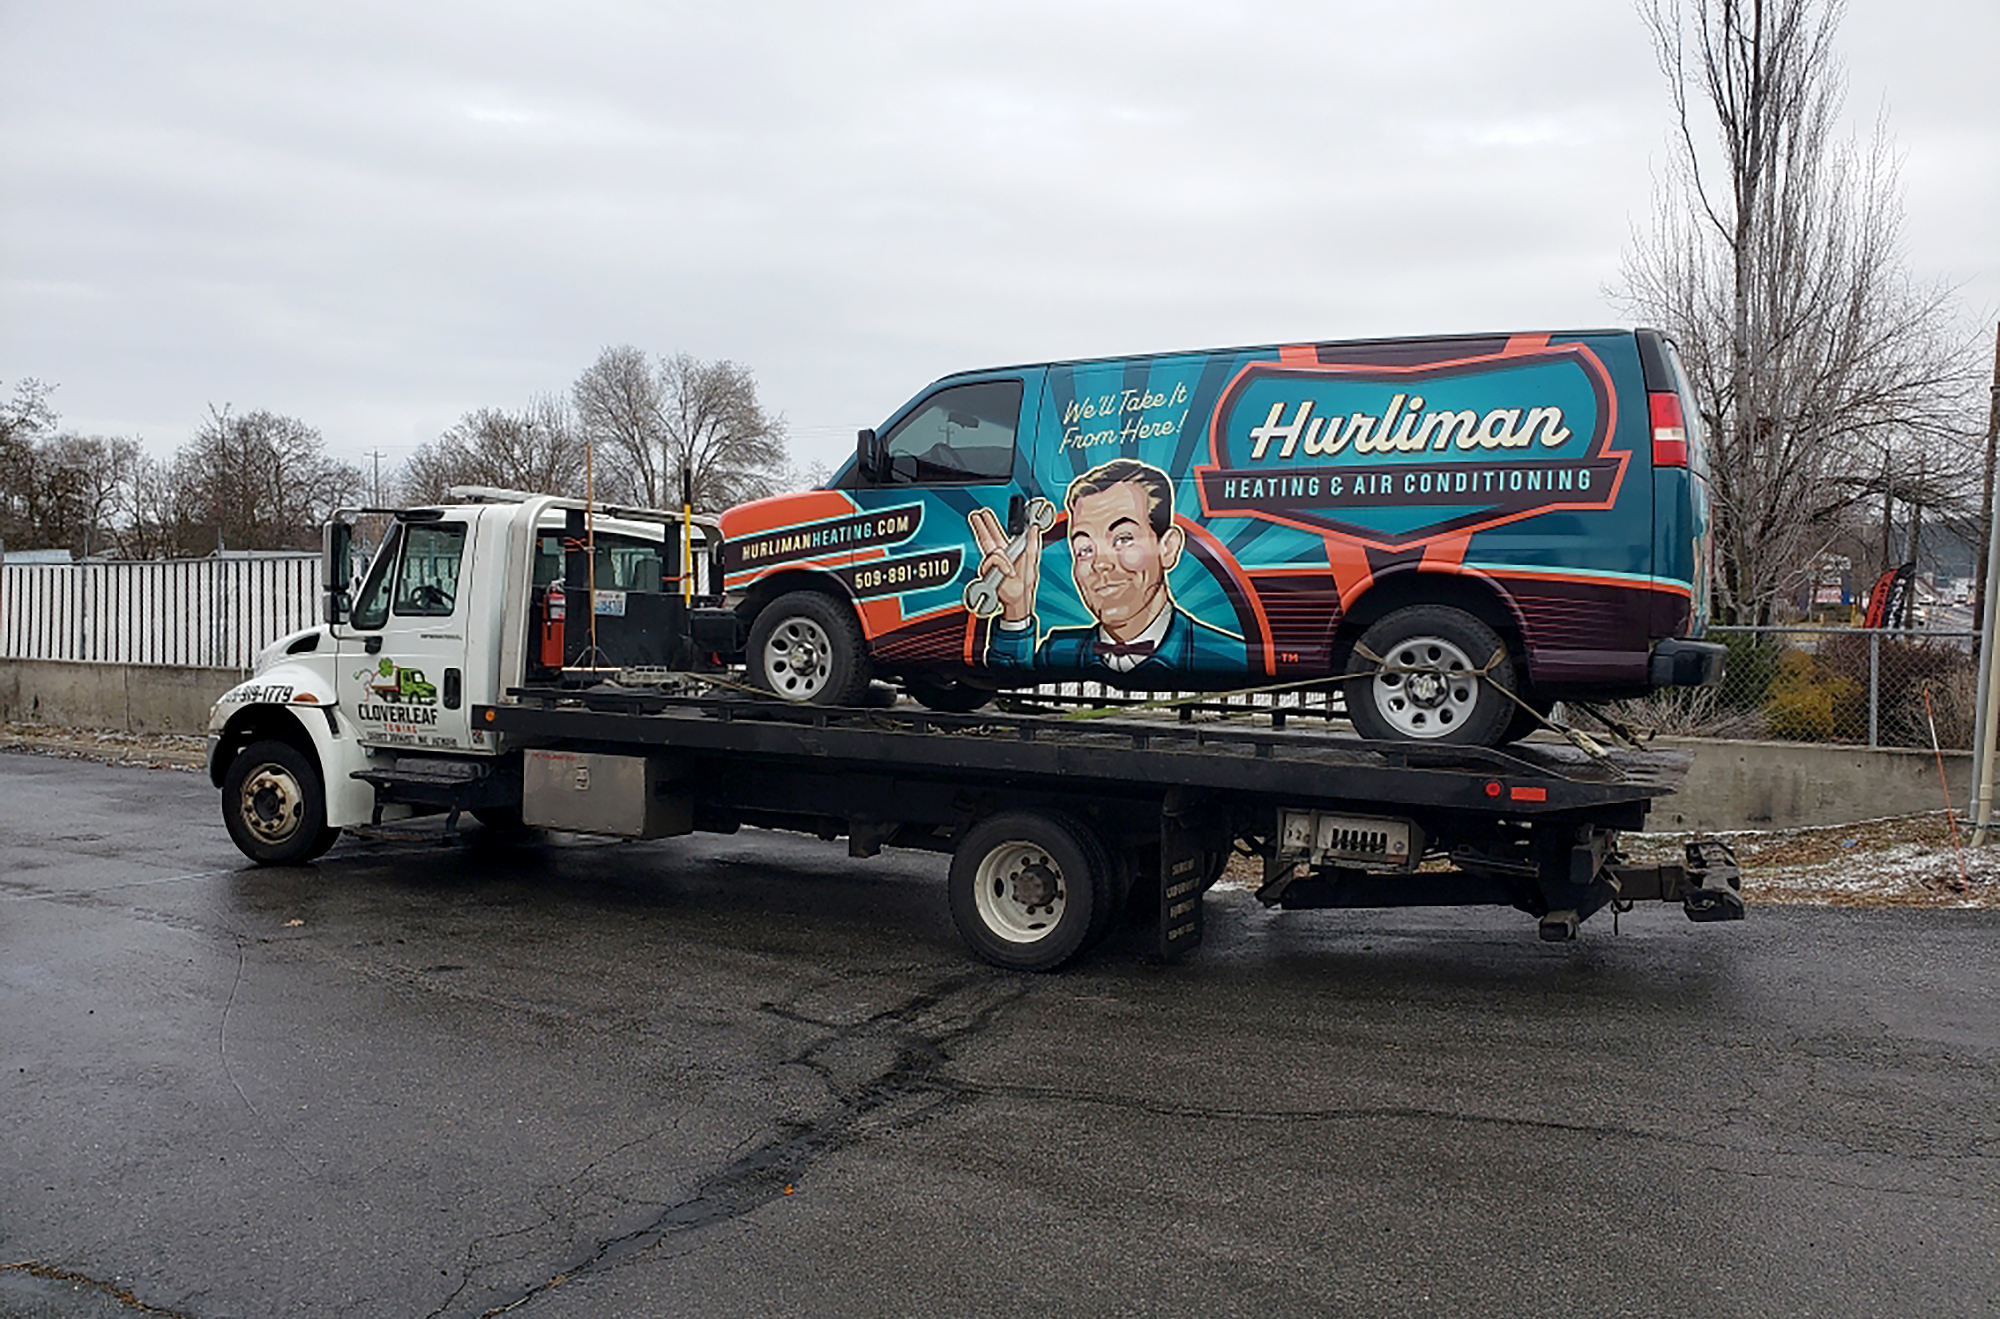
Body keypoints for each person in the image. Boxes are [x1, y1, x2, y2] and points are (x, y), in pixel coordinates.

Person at [969, 457, 1246, 678]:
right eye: (1084, 549)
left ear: (1168, 547)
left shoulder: (1229, 654)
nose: (1100, 563)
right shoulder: (1058, 650)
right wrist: (1016, 609)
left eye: (1124, 539)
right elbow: (1009, 676)